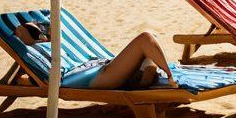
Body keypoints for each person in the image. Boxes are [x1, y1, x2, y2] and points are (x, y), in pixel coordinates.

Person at [14, 19, 176, 90]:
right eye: (38, 31)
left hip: (102, 66)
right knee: (145, 38)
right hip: (99, 75)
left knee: (151, 38)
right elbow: (26, 80)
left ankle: (142, 75)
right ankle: (167, 76)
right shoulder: (35, 51)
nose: (43, 32)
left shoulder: (56, 45)